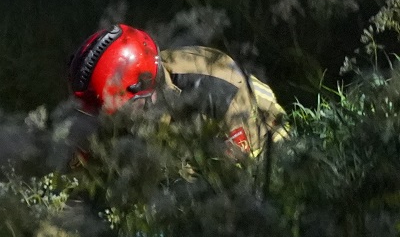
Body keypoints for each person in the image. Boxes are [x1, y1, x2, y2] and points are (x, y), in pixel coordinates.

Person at [67, 23, 285, 156]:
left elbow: (241, 183)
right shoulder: (136, 101)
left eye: (116, 111)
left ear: (144, 87)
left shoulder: (217, 92)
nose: (110, 124)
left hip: (266, 149)